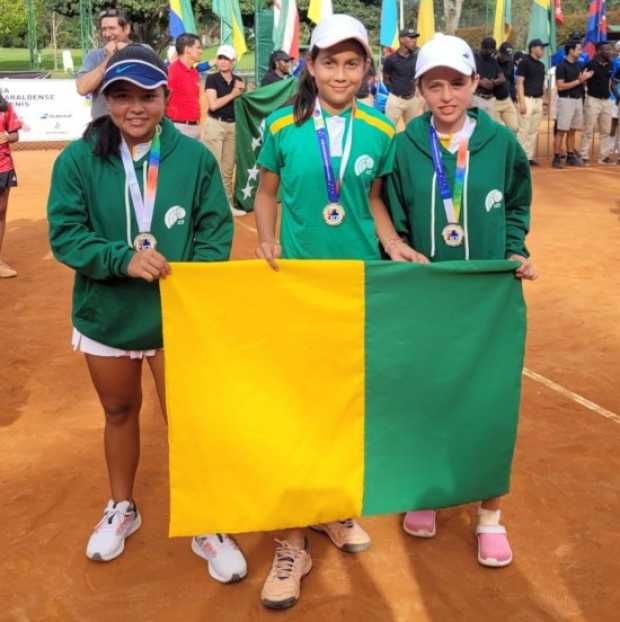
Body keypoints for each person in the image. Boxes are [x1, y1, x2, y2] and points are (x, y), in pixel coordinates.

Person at [48, 45, 247, 583]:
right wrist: (122, 259)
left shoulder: (194, 158)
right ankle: (122, 508)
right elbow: (66, 234)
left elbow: (214, 231)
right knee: (118, 412)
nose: (136, 107)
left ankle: (206, 520)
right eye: (122, 96)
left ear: (165, 97)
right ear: (107, 100)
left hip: (175, 318)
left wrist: (189, 280)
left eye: (148, 96)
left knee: (188, 418)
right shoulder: (79, 159)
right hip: (106, 313)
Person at [254, 14, 405, 609]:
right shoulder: (280, 125)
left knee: (343, 405)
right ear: (310, 66)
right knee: (296, 410)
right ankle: (291, 540)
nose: (340, 74)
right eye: (329, 62)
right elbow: (266, 192)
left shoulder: (380, 129)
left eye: (352, 63)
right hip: (297, 288)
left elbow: (372, 201)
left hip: (356, 288)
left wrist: (390, 242)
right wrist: (267, 239)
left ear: (366, 69)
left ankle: (333, 511)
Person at [379, 33, 536, 568]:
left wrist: (514, 250)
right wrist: (401, 253)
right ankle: (431, 491)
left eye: (456, 83)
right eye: (434, 85)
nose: (446, 96)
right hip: (429, 297)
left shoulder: (501, 143)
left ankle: (490, 514)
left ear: (475, 84)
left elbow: (517, 202)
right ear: (419, 89)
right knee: (429, 396)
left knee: (489, 403)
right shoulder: (405, 147)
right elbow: (392, 213)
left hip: (487, 296)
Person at [204, 45, 246, 216]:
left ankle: (227, 205)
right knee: (213, 166)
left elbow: (244, 104)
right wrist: (233, 94)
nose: (222, 61)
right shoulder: (212, 79)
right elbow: (213, 105)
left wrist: (241, 92)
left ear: (233, 61)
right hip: (215, 124)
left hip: (233, 126)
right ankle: (210, 207)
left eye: (226, 58)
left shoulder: (239, 79)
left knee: (228, 169)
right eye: (220, 58)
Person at [76, 8, 132, 120]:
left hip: (134, 123)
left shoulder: (143, 51)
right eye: (104, 29)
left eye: (112, 28)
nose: (107, 34)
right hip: (103, 125)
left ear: (126, 29)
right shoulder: (94, 56)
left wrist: (128, 54)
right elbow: (82, 88)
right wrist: (109, 59)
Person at [553, 41, 593, 168]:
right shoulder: (561, 66)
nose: (580, 51)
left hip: (577, 100)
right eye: (578, 49)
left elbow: (581, 82)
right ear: (570, 50)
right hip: (566, 100)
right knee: (561, 131)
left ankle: (570, 155)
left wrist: (584, 80)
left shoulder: (578, 66)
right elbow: (560, 86)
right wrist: (579, 81)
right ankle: (557, 157)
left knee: (572, 130)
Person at [579, 41, 614, 164]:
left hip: (607, 101)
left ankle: (603, 157)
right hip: (592, 100)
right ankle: (583, 155)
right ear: (599, 51)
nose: (610, 52)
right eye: (607, 50)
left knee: (606, 130)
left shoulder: (611, 64)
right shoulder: (590, 64)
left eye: (610, 50)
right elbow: (580, 77)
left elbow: (612, 82)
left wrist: (616, 96)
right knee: (588, 129)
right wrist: (583, 79)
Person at [516, 38, 548, 166]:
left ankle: (528, 157)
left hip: (538, 99)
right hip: (527, 99)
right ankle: (519, 158)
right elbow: (519, 83)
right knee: (523, 129)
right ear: (533, 48)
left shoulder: (541, 65)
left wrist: (544, 101)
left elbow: (543, 85)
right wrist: (522, 101)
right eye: (540, 47)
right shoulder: (524, 62)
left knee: (533, 130)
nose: (542, 50)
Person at [166, 33, 204, 139]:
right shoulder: (172, 71)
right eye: (198, 48)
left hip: (195, 127)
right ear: (187, 49)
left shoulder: (194, 72)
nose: (201, 51)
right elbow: (163, 100)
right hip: (179, 128)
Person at [0, 94, 21, 278]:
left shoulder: (5, 107)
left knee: (0, 211)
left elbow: (15, 135)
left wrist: (6, 136)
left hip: (3, 167)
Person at [383, 29, 422, 128]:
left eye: (415, 38)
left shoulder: (417, 58)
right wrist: (395, 91)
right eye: (411, 38)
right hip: (395, 100)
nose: (414, 41)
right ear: (401, 40)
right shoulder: (391, 59)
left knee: (412, 130)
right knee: (388, 128)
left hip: (412, 100)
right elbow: (386, 78)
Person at [473, 37, 505, 120]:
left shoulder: (493, 61)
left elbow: (502, 78)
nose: (491, 53)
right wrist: (480, 82)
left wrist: (493, 82)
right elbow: (466, 76)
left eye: (492, 50)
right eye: (488, 50)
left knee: (489, 125)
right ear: (483, 48)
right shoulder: (474, 59)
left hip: (490, 99)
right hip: (477, 97)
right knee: (477, 124)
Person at [494, 42, 519, 132]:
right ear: (499, 52)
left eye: (509, 56)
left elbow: (511, 81)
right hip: (494, 100)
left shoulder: (510, 63)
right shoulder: (492, 62)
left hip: (506, 99)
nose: (506, 59)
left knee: (514, 127)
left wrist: (514, 97)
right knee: (498, 129)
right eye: (505, 56)